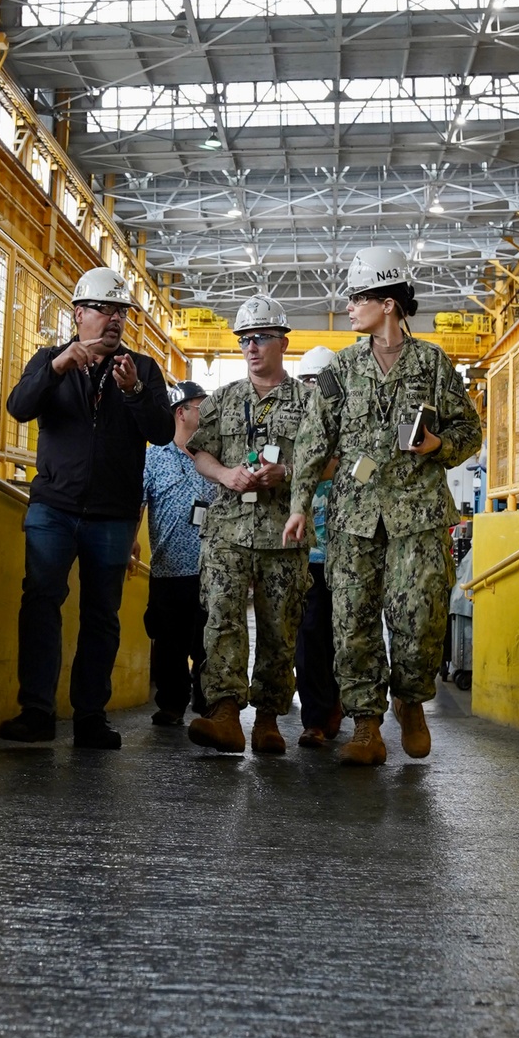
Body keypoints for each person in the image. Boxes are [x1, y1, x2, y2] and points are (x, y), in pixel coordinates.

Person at [283, 246, 482, 767]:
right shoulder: (342, 368)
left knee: (420, 620)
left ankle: (410, 699)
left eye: (360, 297)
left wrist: (437, 446)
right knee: (352, 621)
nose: (350, 307)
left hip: (418, 514)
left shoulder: (432, 362)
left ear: (389, 303)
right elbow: (312, 440)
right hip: (353, 517)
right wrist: (300, 504)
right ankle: (367, 725)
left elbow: (469, 430)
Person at [0, 266, 174, 749]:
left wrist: (135, 391)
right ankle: (35, 711)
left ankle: (89, 718)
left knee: (102, 615)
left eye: (121, 312)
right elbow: (18, 407)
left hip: (112, 516)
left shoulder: (143, 369)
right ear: (79, 314)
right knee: (41, 602)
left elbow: (162, 433)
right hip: (54, 508)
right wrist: (58, 368)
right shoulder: (48, 359)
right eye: (105, 309)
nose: (115, 319)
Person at [187, 294, 312, 756]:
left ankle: (267, 720)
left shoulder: (308, 400)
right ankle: (224, 715)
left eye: (260, 338)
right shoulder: (222, 400)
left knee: (281, 629)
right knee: (221, 618)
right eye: (244, 339)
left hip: (284, 533)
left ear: (282, 341)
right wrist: (226, 474)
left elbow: (332, 458)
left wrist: (289, 472)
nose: (251, 347)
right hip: (228, 532)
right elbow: (200, 451)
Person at [140, 380, 216, 727]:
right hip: (169, 568)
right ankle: (171, 703)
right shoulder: (153, 456)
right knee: (169, 642)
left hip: (212, 568)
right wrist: (130, 541)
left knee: (209, 639)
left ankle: (207, 700)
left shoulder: (214, 456)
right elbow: (137, 503)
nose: (207, 411)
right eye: (200, 405)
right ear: (181, 411)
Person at [293, 346, 342, 749]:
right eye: (308, 382)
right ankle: (314, 719)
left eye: (319, 381)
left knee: (346, 636)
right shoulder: (295, 428)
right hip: (307, 557)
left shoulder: (352, 424)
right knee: (309, 636)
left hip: (348, 556)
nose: (314, 389)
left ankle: (340, 705)